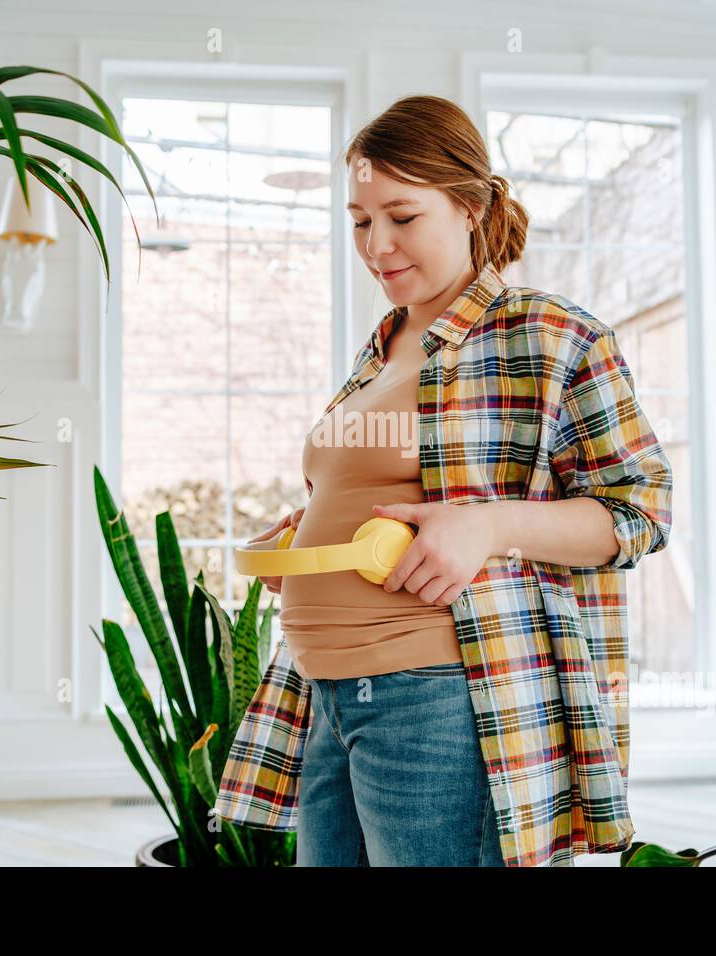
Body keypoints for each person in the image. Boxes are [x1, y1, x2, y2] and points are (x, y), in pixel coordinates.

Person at [213, 94, 674, 867]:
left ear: (467, 207)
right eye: (361, 221)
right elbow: (391, 492)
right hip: (320, 694)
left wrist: (488, 524)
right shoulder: (381, 348)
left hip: (438, 693)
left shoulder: (552, 333)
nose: (377, 244)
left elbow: (640, 511)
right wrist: (311, 538)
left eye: (402, 216)